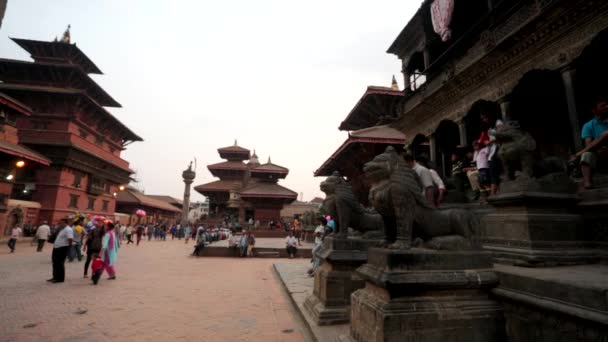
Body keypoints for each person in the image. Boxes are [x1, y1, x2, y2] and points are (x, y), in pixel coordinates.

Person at [572, 99, 608, 189]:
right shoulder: (588, 125)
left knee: (605, 134)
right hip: (599, 155)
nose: (607, 107)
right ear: (594, 110)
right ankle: (587, 182)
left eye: (607, 105)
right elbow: (589, 145)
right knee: (587, 154)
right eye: (603, 105)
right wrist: (599, 147)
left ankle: (578, 154)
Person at [48, 219, 73, 283]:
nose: (60, 224)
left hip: (62, 248)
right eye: (59, 223)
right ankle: (55, 277)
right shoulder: (61, 229)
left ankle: (60, 278)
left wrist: (69, 247)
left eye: (61, 223)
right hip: (56, 247)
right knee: (55, 263)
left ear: (65, 223)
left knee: (60, 263)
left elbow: (70, 239)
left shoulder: (68, 229)